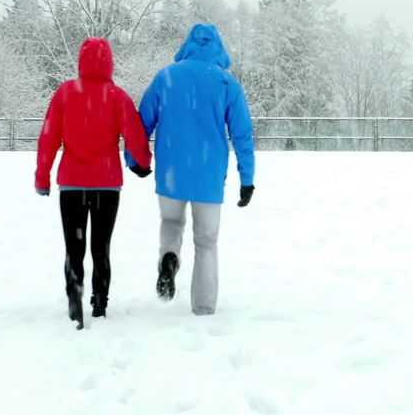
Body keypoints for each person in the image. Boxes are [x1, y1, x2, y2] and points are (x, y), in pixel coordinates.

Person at [127, 23, 255, 316]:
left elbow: (141, 123)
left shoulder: (167, 77)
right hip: (208, 176)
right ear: (218, 48)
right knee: (206, 242)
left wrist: (136, 160)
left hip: (171, 172)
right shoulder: (227, 84)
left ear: (188, 45)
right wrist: (247, 178)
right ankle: (204, 307)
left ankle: (169, 257)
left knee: (171, 222)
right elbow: (242, 135)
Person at [35, 38, 152, 330]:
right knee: (101, 247)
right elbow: (135, 136)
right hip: (106, 186)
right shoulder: (116, 96)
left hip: (72, 186)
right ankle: (100, 302)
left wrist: (42, 177)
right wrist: (143, 164)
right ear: (109, 61)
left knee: (74, 248)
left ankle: (74, 297)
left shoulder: (65, 93)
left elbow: (48, 137)